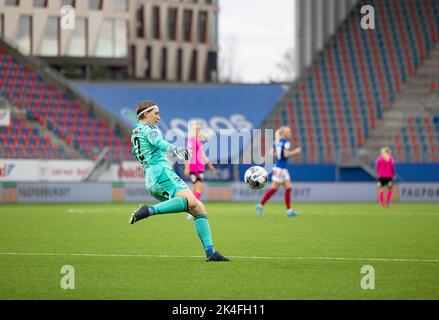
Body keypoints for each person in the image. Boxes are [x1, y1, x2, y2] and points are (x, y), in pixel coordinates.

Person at [129, 101, 229, 262]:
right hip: (161, 173)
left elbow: (138, 151)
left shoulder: (136, 131)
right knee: (191, 201)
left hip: (151, 177)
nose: (159, 117)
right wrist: (175, 150)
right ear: (146, 114)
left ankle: (210, 252)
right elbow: (158, 142)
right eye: (156, 113)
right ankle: (149, 210)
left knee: (198, 208)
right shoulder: (149, 129)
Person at [256, 126, 301, 217]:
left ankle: (289, 211)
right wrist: (296, 151)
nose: (290, 133)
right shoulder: (286, 142)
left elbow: (271, 153)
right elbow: (286, 154)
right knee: (274, 189)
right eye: (288, 132)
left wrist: (278, 154)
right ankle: (260, 205)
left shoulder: (277, 142)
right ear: (284, 133)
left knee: (288, 188)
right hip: (280, 168)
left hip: (280, 168)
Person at [184, 122, 216, 220]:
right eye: (196, 128)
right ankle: (193, 210)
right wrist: (187, 167)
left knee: (195, 189)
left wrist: (209, 165)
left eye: (199, 128)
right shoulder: (192, 140)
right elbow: (187, 153)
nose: (198, 130)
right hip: (195, 167)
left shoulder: (198, 140)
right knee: (199, 189)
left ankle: (190, 209)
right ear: (192, 130)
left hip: (200, 166)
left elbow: (202, 155)